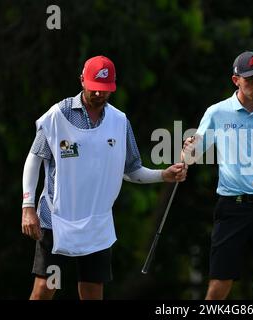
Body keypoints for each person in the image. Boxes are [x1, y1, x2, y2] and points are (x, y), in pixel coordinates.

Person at [21, 55, 187, 300]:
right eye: (95, 88)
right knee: (47, 287)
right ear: (82, 81)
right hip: (56, 219)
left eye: (105, 90)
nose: (99, 94)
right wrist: (28, 206)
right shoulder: (58, 115)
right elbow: (34, 159)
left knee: (92, 292)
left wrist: (163, 175)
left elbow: (131, 170)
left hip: (96, 223)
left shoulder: (119, 122)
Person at [182, 51, 253, 300]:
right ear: (236, 80)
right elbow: (191, 155)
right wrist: (188, 148)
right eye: (251, 79)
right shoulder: (217, 112)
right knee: (219, 284)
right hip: (231, 207)